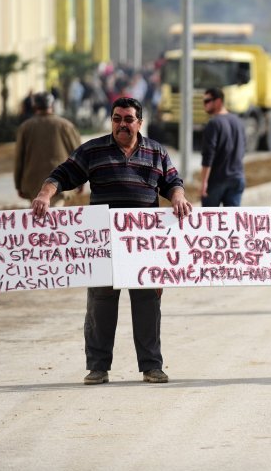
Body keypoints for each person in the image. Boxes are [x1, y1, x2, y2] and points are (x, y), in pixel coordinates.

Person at [31, 97, 193, 385]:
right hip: (103, 245)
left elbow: (172, 182)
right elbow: (63, 174)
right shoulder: (93, 150)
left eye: (128, 119)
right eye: (117, 119)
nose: (122, 125)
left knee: (147, 304)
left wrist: (178, 197)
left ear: (139, 123)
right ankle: (98, 367)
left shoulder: (156, 152)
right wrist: (45, 194)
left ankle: (151, 366)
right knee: (100, 305)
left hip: (145, 245)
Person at [14, 92, 82, 206]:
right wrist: (80, 180)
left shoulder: (25, 127)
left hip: (34, 184)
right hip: (61, 181)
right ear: (52, 105)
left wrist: (18, 185)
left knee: (39, 219)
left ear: (34, 106)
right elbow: (79, 155)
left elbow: (19, 159)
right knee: (56, 217)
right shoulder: (65, 125)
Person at [200, 87, 246, 207]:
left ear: (218, 102)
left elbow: (208, 155)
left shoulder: (214, 123)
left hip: (217, 179)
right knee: (232, 222)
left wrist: (204, 182)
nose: (204, 105)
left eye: (207, 101)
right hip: (237, 177)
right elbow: (242, 149)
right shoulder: (238, 121)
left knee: (209, 220)